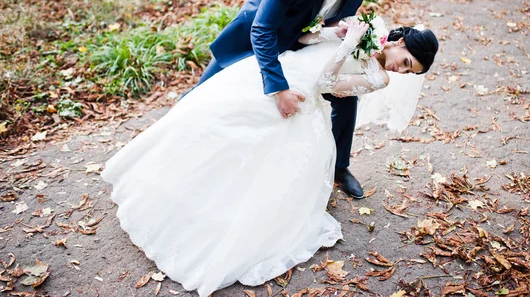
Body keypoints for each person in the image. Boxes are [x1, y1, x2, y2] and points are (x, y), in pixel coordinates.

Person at [101, 17, 438, 297]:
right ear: (400, 41)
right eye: (407, 62)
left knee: (251, 159)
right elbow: (306, 39)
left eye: (408, 72)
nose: (401, 71)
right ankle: (163, 188)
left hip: (303, 98)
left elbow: (326, 83)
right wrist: (333, 31)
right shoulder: (370, 25)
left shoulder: (378, 79)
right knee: (211, 122)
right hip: (275, 74)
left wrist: (349, 42)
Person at [183, 0, 388, 199]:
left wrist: (338, 30)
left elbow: (321, 26)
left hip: (299, 53)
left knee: (347, 98)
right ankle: (175, 149)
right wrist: (279, 89)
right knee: (200, 97)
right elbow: (262, 30)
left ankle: (339, 168)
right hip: (251, 42)